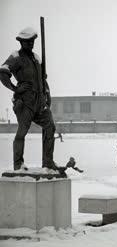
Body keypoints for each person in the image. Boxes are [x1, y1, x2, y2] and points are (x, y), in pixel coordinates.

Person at [0, 27, 56, 171]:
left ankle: (48, 162)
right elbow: (3, 72)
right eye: (27, 41)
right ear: (21, 42)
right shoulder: (16, 57)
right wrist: (15, 88)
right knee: (22, 131)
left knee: (50, 126)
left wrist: (47, 95)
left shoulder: (37, 58)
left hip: (39, 103)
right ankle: (18, 163)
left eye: (32, 41)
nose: (30, 44)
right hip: (25, 102)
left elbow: (43, 80)